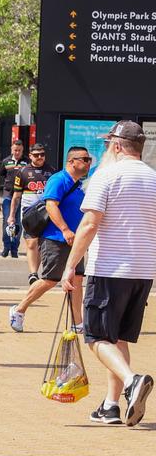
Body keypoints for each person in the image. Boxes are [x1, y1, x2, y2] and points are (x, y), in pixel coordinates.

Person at [60, 121, 156, 426]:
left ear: (116, 146)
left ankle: (131, 381)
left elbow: (89, 225)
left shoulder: (107, 175)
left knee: (97, 337)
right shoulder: (153, 178)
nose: (103, 151)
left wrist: (70, 265)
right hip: (142, 272)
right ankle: (111, 405)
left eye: (106, 145)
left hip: (109, 269)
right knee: (118, 339)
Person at [8, 147, 91, 334]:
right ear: (71, 161)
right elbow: (51, 205)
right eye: (84, 159)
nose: (88, 163)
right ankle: (19, 309)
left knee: (77, 280)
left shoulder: (78, 184)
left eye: (89, 160)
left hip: (75, 241)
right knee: (50, 280)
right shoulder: (59, 179)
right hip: (56, 238)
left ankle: (78, 323)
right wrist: (65, 230)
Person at [10, 145, 54, 284]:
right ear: (30, 156)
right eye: (36, 155)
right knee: (31, 243)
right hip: (29, 211)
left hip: (46, 211)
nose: (40, 157)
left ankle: (35, 271)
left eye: (42, 154)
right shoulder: (22, 172)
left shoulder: (51, 171)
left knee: (40, 243)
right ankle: (33, 273)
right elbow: (16, 196)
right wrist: (11, 216)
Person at [0, 140, 29, 258]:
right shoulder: (6, 161)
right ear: (11, 149)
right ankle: (6, 246)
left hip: (21, 195)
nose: (17, 152)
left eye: (19, 150)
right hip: (8, 195)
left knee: (18, 221)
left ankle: (14, 248)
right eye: (15, 150)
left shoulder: (27, 162)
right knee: (7, 220)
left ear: (22, 150)